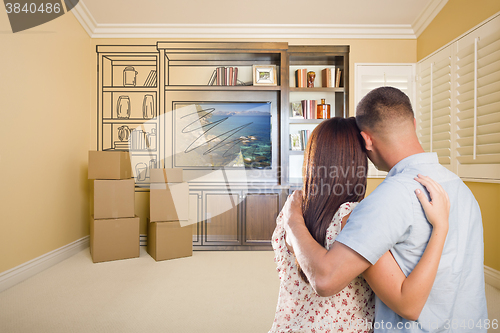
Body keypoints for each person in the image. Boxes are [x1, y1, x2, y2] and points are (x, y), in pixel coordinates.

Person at [282, 87, 488, 332]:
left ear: (366, 140)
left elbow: (325, 280)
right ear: (412, 122)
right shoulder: (460, 187)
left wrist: (293, 222)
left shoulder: (386, 200)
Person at [270, 117, 450, 333]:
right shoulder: (353, 219)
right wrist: (441, 227)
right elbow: (408, 304)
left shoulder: (290, 210)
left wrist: (293, 220)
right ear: (357, 163)